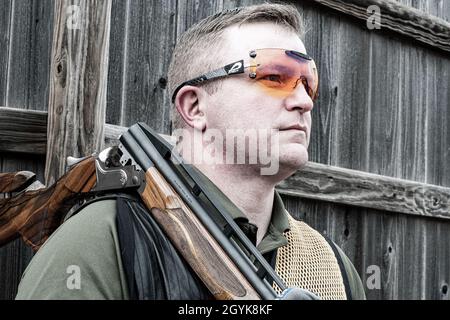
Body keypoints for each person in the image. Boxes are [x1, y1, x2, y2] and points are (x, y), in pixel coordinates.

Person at [16, 3, 366, 300]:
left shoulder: (332, 266)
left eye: (308, 81)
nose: (304, 101)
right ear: (194, 106)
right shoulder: (102, 241)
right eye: (276, 75)